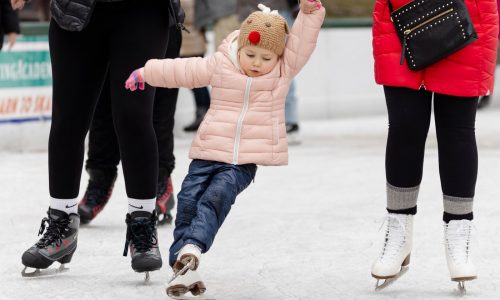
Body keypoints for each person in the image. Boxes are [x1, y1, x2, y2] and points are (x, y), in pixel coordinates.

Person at [125, 1, 324, 296]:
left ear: (278, 57)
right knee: (188, 202)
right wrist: (146, 72)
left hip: (241, 163)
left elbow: (302, 43)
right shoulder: (221, 64)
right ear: (239, 48)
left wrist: (310, 12)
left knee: (215, 199)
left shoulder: (281, 72)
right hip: (207, 153)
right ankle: (183, 262)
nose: (257, 63)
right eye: (251, 54)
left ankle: (192, 248)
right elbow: (183, 69)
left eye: (266, 58)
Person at [13, 0, 171, 278]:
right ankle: (61, 225)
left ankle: (142, 224)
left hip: (141, 14)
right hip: (76, 10)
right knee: (68, 119)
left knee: (133, 116)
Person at [370, 0, 498, 291]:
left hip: (469, 15)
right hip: (401, 16)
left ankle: (458, 234)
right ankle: (398, 232)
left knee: (458, 132)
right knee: (404, 128)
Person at [78, 2, 185, 226]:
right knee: (104, 105)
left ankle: (160, 179)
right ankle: (100, 178)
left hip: (156, 17)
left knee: (155, 108)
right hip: (107, 18)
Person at [237, 0, 301, 145]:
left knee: (282, 67)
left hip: (276, 12)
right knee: (251, 68)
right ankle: (259, 123)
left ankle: (290, 121)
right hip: (250, 14)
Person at [179, 0, 211, 132]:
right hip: (191, 40)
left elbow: (188, 16)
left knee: (196, 81)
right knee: (195, 80)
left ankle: (204, 114)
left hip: (191, 41)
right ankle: (204, 113)